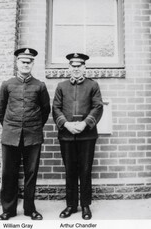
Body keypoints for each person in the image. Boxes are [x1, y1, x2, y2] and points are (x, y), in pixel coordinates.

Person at [0, 47, 50, 220]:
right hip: (10, 134)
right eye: (23, 61)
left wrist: (33, 126)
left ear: (33, 64)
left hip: (32, 135)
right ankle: (8, 210)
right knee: (8, 173)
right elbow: (1, 109)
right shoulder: (7, 84)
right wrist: (10, 126)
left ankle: (30, 209)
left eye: (29, 62)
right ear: (17, 63)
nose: (26, 64)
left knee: (31, 173)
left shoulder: (39, 86)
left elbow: (45, 110)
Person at [52, 53, 103, 220]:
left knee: (85, 170)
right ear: (69, 68)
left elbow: (97, 107)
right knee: (70, 170)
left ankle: (86, 205)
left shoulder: (93, 85)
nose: (76, 69)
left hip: (87, 136)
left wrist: (84, 123)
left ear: (84, 68)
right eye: (73, 66)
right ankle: (71, 205)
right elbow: (56, 108)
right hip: (67, 136)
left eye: (79, 66)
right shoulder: (61, 86)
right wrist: (66, 124)